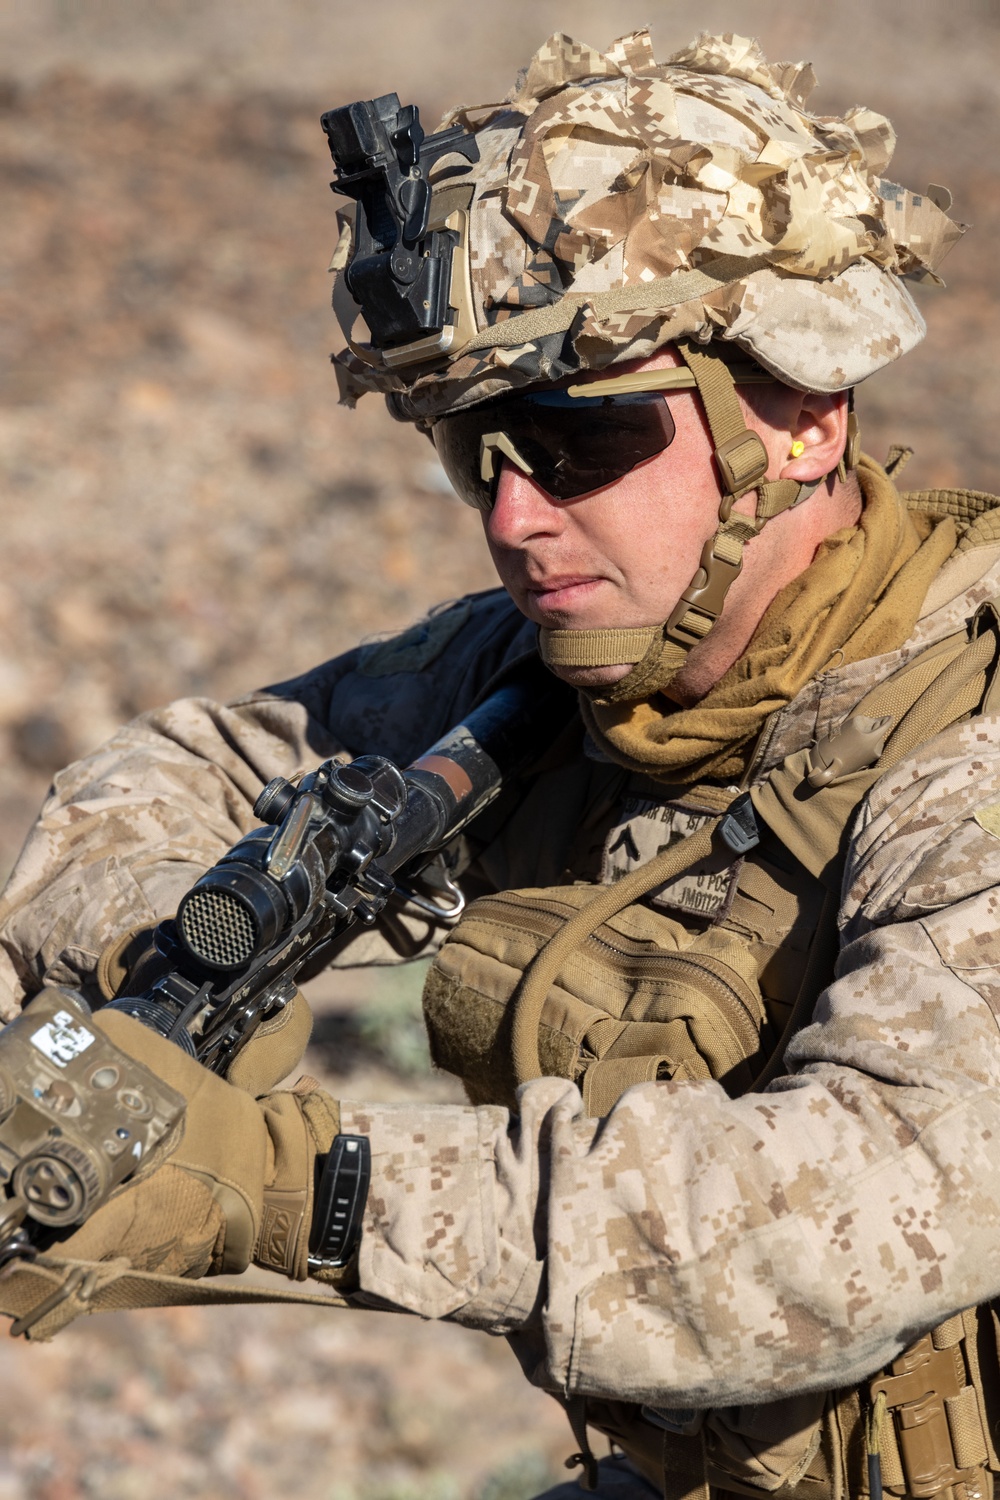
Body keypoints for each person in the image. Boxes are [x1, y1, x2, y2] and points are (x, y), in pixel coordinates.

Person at [0, 27, 995, 1500]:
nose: (517, 518)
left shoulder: (961, 740)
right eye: (476, 451)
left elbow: (847, 1214)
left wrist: (294, 1192)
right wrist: (168, 986)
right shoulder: (549, 675)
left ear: (797, 420)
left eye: (578, 441)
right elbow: (194, 769)